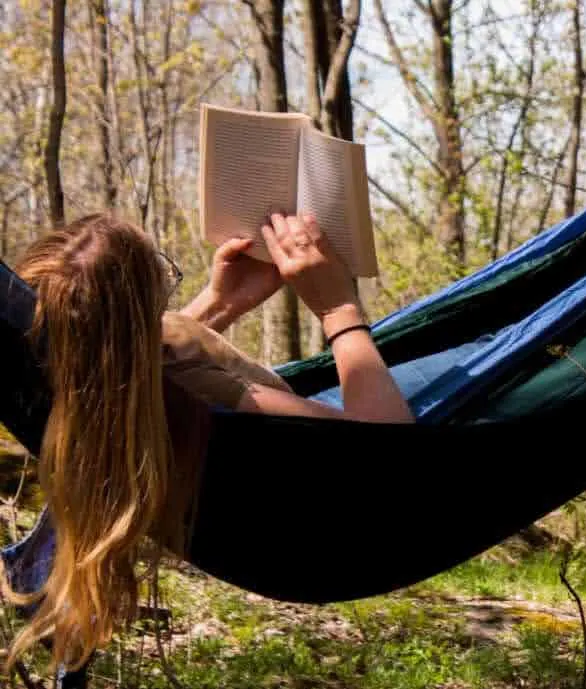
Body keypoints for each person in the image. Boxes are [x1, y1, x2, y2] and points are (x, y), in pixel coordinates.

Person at [2, 211, 413, 675]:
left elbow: (127, 358)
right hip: (327, 539)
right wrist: (339, 311)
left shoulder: (58, 378)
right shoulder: (198, 395)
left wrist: (220, 302)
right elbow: (388, 452)